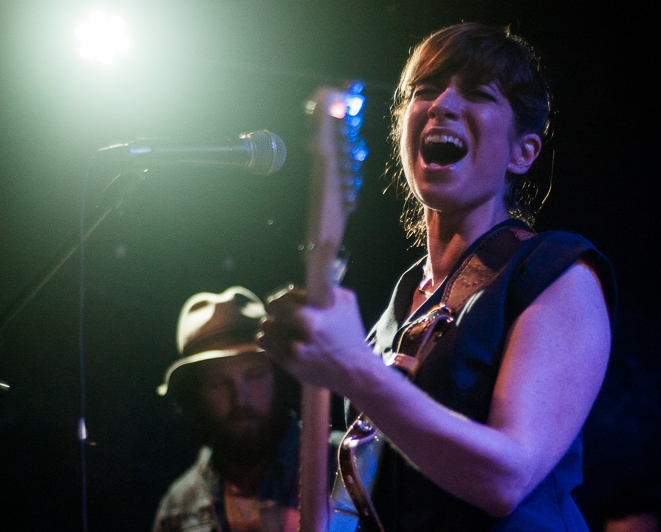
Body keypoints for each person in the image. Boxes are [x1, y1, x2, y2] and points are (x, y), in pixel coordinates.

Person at [260, 22, 616, 531]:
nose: (443, 105)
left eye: (476, 93)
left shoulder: (556, 273)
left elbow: (504, 479)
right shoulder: (396, 310)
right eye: (425, 90)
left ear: (524, 152)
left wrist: (353, 369)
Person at [154, 286, 300, 532]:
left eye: (254, 375)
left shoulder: (349, 464)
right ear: (195, 396)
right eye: (218, 383)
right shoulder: (178, 506)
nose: (240, 398)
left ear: (280, 377)